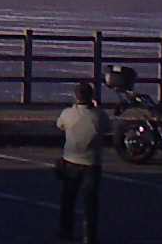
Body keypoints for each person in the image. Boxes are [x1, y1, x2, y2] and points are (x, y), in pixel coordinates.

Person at [56, 81, 109, 243]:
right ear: (91, 96)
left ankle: (66, 231)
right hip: (92, 163)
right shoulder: (99, 115)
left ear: (76, 96)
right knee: (90, 203)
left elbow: (60, 125)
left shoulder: (67, 113)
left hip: (70, 161)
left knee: (68, 199)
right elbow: (107, 128)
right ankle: (89, 236)